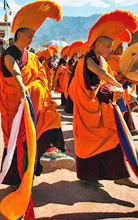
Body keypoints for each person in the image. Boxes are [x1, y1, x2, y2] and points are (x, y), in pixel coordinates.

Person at [0, 1, 74, 187]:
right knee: (19, 142)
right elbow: (15, 70)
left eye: (33, 35)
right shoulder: (9, 54)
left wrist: (36, 88)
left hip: (32, 103)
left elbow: (41, 75)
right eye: (29, 35)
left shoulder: (31, 56)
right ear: (18, 34)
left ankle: (50, 150)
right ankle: (17, 180)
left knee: (50, 116)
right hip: (15, 107)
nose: (31, 39)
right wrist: (23, 85)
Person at [69, 10, 138, 188]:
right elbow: (100, 75)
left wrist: (119, 82)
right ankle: (92, 176)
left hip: (101, 107)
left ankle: (119, 175)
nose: (110, 49)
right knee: (108, 138)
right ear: (98, 44)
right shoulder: (88, 59)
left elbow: (106, 75)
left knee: (112, 138)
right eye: (108, 46)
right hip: (90, 110)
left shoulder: (102, 60)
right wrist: (115, 84)